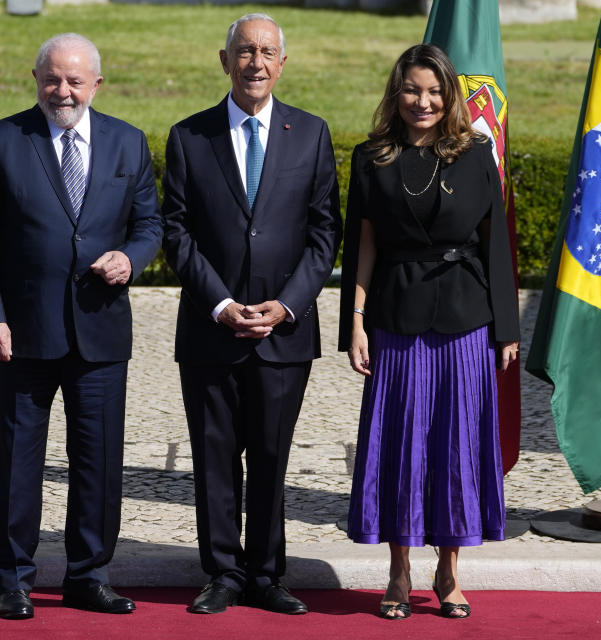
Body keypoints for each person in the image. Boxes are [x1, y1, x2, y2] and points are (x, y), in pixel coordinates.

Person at [0, 33, 162, 620]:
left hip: (100, 331)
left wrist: (132, 257)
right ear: (35, 78)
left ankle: (89, 575)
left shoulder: (128, 143)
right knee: (17, 460)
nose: (63, 91)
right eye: (52, 79)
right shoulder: (1, 141)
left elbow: (150, 224)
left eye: (75, 80)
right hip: (21, 333)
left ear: (97, 83)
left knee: (98, 463)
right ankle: (12, 579)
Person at [162, 13, 342, 616]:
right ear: (225, 60)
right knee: (213, 456)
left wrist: (286, 305)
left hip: (283, 332)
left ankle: (267, 574)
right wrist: (221, 304)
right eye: (245, 51)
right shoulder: (189, 136)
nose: (256, 62)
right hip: (211, 330)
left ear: (282, 63)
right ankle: (223, 573)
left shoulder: (311, 133)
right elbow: (177, 232)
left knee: (271, 455)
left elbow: (324, 235)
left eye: (267, 52)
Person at [338, 43, 520, 620]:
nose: (424, 101)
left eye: (435, 91)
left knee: (457, 448)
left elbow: (495, 245)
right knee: (400, 446)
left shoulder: (476, 153)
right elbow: (362, 245)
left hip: (467, 321)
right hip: (395, 318)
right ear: (397, 94)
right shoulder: (372, 158)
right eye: (413, 90)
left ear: (451, 97)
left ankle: (449, 572)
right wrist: (356, 323)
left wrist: (507, 328)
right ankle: (398, 570)